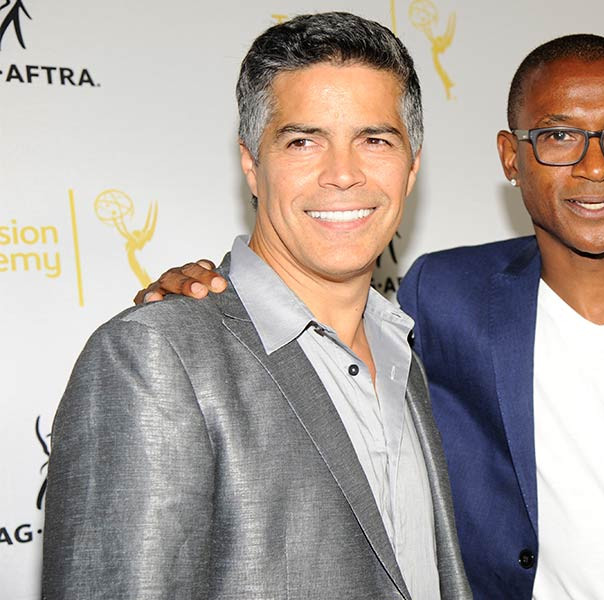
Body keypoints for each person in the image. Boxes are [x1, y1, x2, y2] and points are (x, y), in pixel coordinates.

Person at [138, 34, 604, 599]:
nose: (595, 165)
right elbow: (312, 326)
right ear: (510, 156)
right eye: (558, 136)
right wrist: (209, 292)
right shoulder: (442, 297)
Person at [42, 12, 471, 600]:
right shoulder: (154, 358)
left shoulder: (403, 354)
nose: (343, 174)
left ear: (412, 166)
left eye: (374, 140)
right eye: (303, 142)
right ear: (251, 165)